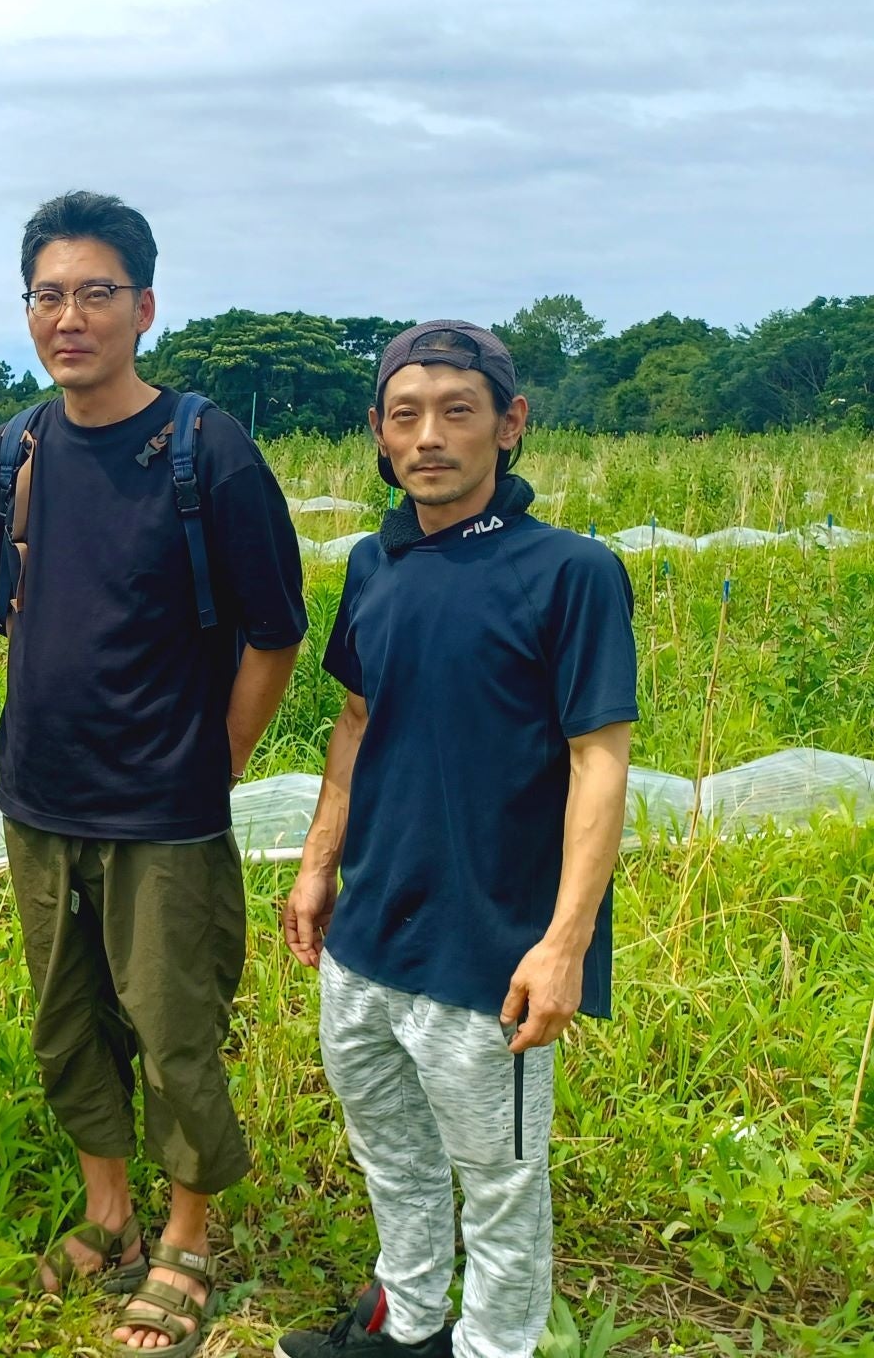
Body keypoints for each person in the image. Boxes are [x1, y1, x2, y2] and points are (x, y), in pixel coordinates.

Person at [0, 191, 308, 1356]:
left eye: (96, 294)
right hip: (42, 801)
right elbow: (19, 620)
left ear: (144, 309)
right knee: (69, 1024)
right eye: (49, 295)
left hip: (165, 811)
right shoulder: (7, 453)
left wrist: (214, 763)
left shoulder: (204, 449)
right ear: (30, 311)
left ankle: (186, 1233)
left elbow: (275, 633)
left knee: (173, 1031)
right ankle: (106, 1208)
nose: (71, 317)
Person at [274, 322, 637, 1358]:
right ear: (382, 437)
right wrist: (314, 868)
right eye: (405, 415)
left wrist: (563, 943)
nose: (429, 436)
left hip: (492, 956)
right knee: (390, 1152)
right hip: (370, 937)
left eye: (457, 411)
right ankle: (410, 1324)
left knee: (503, 1185)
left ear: (509, 425)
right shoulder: (372, 565)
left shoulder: (570, 573)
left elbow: (598, 762)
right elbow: (355, 720)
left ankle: (495, 1346)